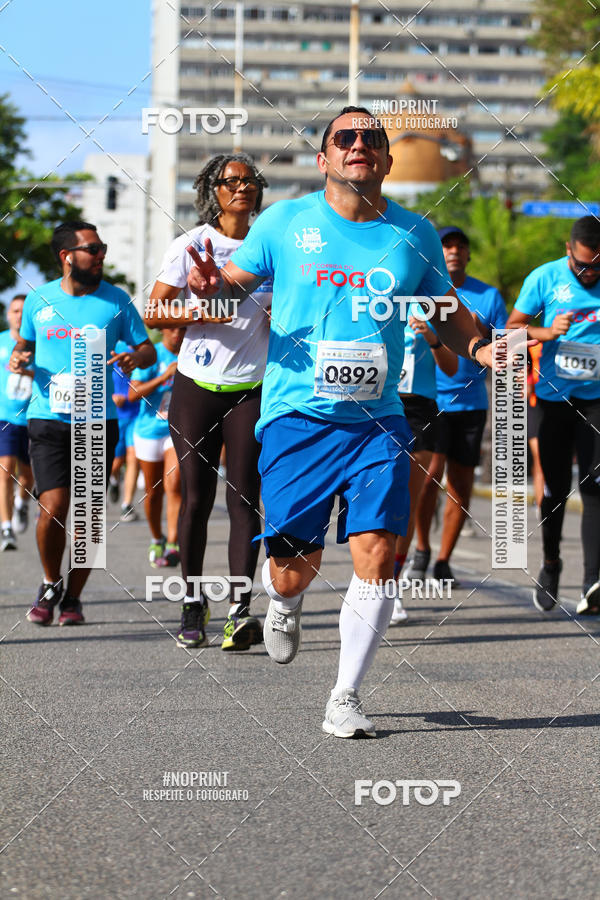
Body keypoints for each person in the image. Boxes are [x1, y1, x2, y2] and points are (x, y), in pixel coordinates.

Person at [182, 108, 499, 737]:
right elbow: (229, 292)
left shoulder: (414, 235)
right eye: (344, 138)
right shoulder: (284, 223)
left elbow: (447, 313)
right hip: (298, 416)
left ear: (385, 160)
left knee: (379, 553)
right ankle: (285, 601)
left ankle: (346, 695)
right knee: (292, 565)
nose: (359, 145)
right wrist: (207, 288)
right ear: (324, 158)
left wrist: (485, 348)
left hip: (379, 420)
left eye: (371, 138)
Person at [145, 153, 270, 652]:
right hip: (197, 385)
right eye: (230, 181)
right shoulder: (193, 244)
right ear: (212, 190)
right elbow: (154, 310)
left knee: (244, 499)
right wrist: (203, 309)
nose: (241, 187)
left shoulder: (271, 247)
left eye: (249, 181)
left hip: (253, 386)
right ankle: (192, 602)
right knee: (195, 498)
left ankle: (240, 612)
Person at [10, 221, 155, 626]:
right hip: (47, 417)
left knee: (89, 516)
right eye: (93, 248)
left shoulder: (116, 301)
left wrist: (134, 358)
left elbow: (146, 350)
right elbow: (24, 346)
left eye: (102, 247)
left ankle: (73, 598)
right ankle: (49, 582)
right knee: (53, 507)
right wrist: (19, 358)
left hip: (97, 420)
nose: (101, 255)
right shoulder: (39, 300)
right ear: (67, 256)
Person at [507, 215, 600, 615]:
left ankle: (593, 581)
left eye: (597, 266)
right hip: (554, 400)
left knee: (596, 487)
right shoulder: (544, 278)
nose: (589, 273)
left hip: (597, 398)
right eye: (582, 265)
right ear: (568, 250)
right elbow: (510, 330)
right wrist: (548, 332)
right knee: (556, 490)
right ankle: (550, 563)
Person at [409, 226, 507, 586]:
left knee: (461, 485)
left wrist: (482, 336)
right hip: (430, 398)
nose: (453, 251)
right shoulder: (421, 288)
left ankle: (444, 559)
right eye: (447, 245)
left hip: (470, 402)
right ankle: (420, 548)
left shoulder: (488, 295)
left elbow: (507, 345)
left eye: (460, 246)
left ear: (468, 255)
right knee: (427, 478)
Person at [390, 307, 457, 625]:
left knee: (406, 503)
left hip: (418, 408)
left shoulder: (432, 304)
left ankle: (389, 587)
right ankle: (367, 576)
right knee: (371, 500)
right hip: (376, 401)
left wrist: (432, 338)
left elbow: (453, 366)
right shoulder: (369, 294)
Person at [129, 328, 184, 567]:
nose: (177, 334)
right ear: (163, 330)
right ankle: (156, 537)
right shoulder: (154, 356)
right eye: (172, 328)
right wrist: (163, 378)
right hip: (149, 430)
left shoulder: (191, 355)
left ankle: (173, 543)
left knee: (174, 484)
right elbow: (133, 393)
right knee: (154, 492)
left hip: (177, 430)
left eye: (182, 329)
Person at [0, 294, 34, 550]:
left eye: (23, 311)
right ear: (8, 314)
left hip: (33, 416)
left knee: (28, 475)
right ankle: (6, 528)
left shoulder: (37, 343)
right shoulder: (1, 341)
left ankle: (22, 503)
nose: (19, 315)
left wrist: (28, 370)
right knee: (6, 470)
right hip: (5, 416)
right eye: (14, 311)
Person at [109, 340, 141, 522]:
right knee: (115, 461)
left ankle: (126, 505)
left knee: (133, 456)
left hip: (136, 413)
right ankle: (113, 480)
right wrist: (110, 396)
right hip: (114, 415)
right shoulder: (109, 346)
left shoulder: (141, 347)